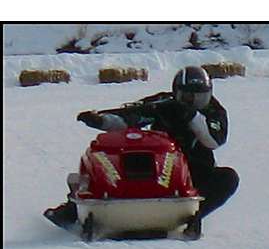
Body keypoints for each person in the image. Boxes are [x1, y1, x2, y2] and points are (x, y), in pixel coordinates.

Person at [44, 66, 240, 228]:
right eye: (188, 97)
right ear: (177, 92)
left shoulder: (214, 111)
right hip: (158, 167)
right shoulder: (164, 103)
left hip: (193, 171)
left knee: (228, 178)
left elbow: (213, 140)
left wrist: (191, 115)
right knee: (122, 152)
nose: (193, 102)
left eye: (199, 98)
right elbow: (133, 114)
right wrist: (101, 120)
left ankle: (194, 215)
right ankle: (75, 209)